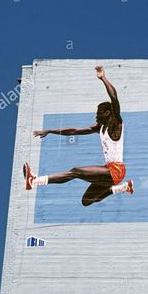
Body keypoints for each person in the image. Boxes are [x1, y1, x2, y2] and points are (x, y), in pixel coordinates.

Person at [23, 65, 133, 206]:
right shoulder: (100, 127)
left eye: (98, 112)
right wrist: (50, 131)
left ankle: (34, 181)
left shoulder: (115, 124)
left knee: (75, 171)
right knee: (87, 201)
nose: (96, 116)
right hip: (110, 173)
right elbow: (74, 131)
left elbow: (114, 99)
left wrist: (103, 78)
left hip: (116, 170)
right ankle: (124, 187)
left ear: (107, 113)